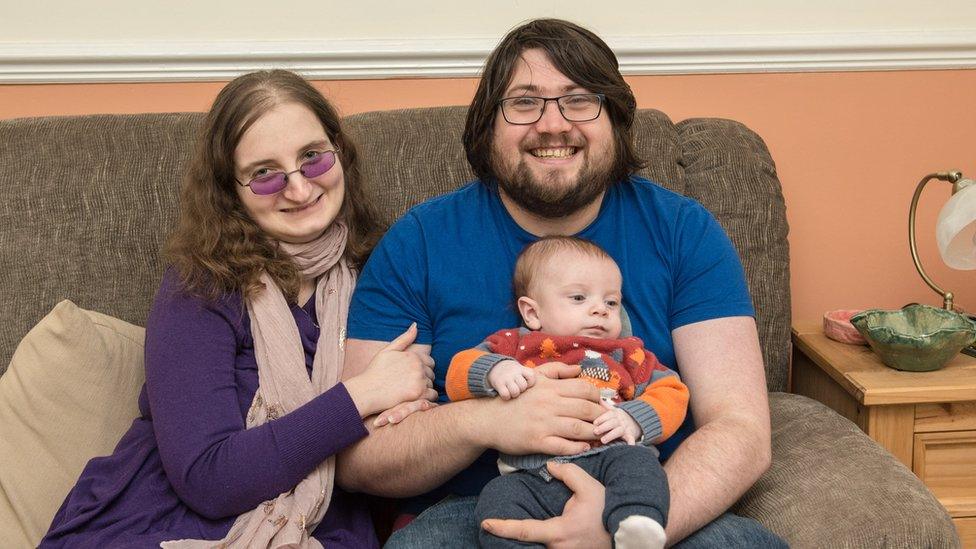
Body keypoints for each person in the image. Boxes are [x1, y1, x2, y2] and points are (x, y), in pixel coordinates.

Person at [339, 18, 785, 547]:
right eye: (524, 102)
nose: (553, 125)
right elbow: (358, 458)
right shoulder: (418, 243)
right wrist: (484, 421)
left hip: (649, 494)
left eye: (578, 99)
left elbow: (741, 430)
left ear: (615, 119)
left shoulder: (684, 231)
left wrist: (623, 528)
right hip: (478, 508)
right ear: (488, 125)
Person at [40, 69, 436, 548]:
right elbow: (209, 477)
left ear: (340, 154)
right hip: (167, 523)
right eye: (264, 174)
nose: (298, 188)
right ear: (230, 191)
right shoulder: (202, 285)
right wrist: (364, 395)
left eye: (312, 158)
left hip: (322, 524)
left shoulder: (386, 272)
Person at [445, 236, 688, 549]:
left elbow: (672, 390)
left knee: (642, 470)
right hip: (532, 474)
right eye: (578, 298)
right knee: (496, 500)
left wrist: (636, 418)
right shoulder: (514, 345)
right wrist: (494, 370)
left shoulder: (626, 353)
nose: (600, 310)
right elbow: (458, 370)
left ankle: (636, 525)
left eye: (611, 302)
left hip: (611, 459)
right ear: (532, 313)